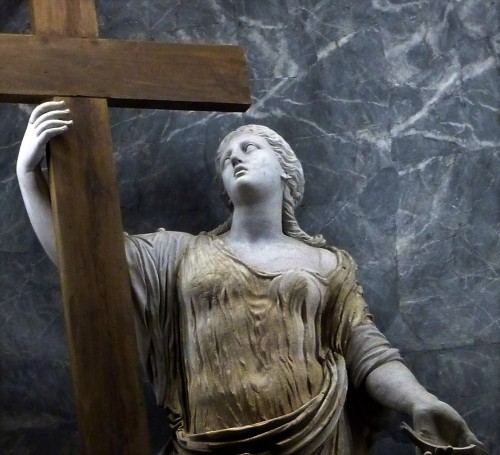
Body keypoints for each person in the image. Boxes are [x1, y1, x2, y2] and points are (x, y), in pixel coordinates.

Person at [17, 101, 483, 454]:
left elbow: (368, 351)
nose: (235, 158)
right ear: (222, 186)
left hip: (312, 436)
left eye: (249, 147)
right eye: (225, 158)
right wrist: (28, 176)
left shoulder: (327, 264)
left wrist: (419, 400)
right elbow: (86, 261)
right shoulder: (179, 254)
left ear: (285, 166)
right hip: (207, 442)